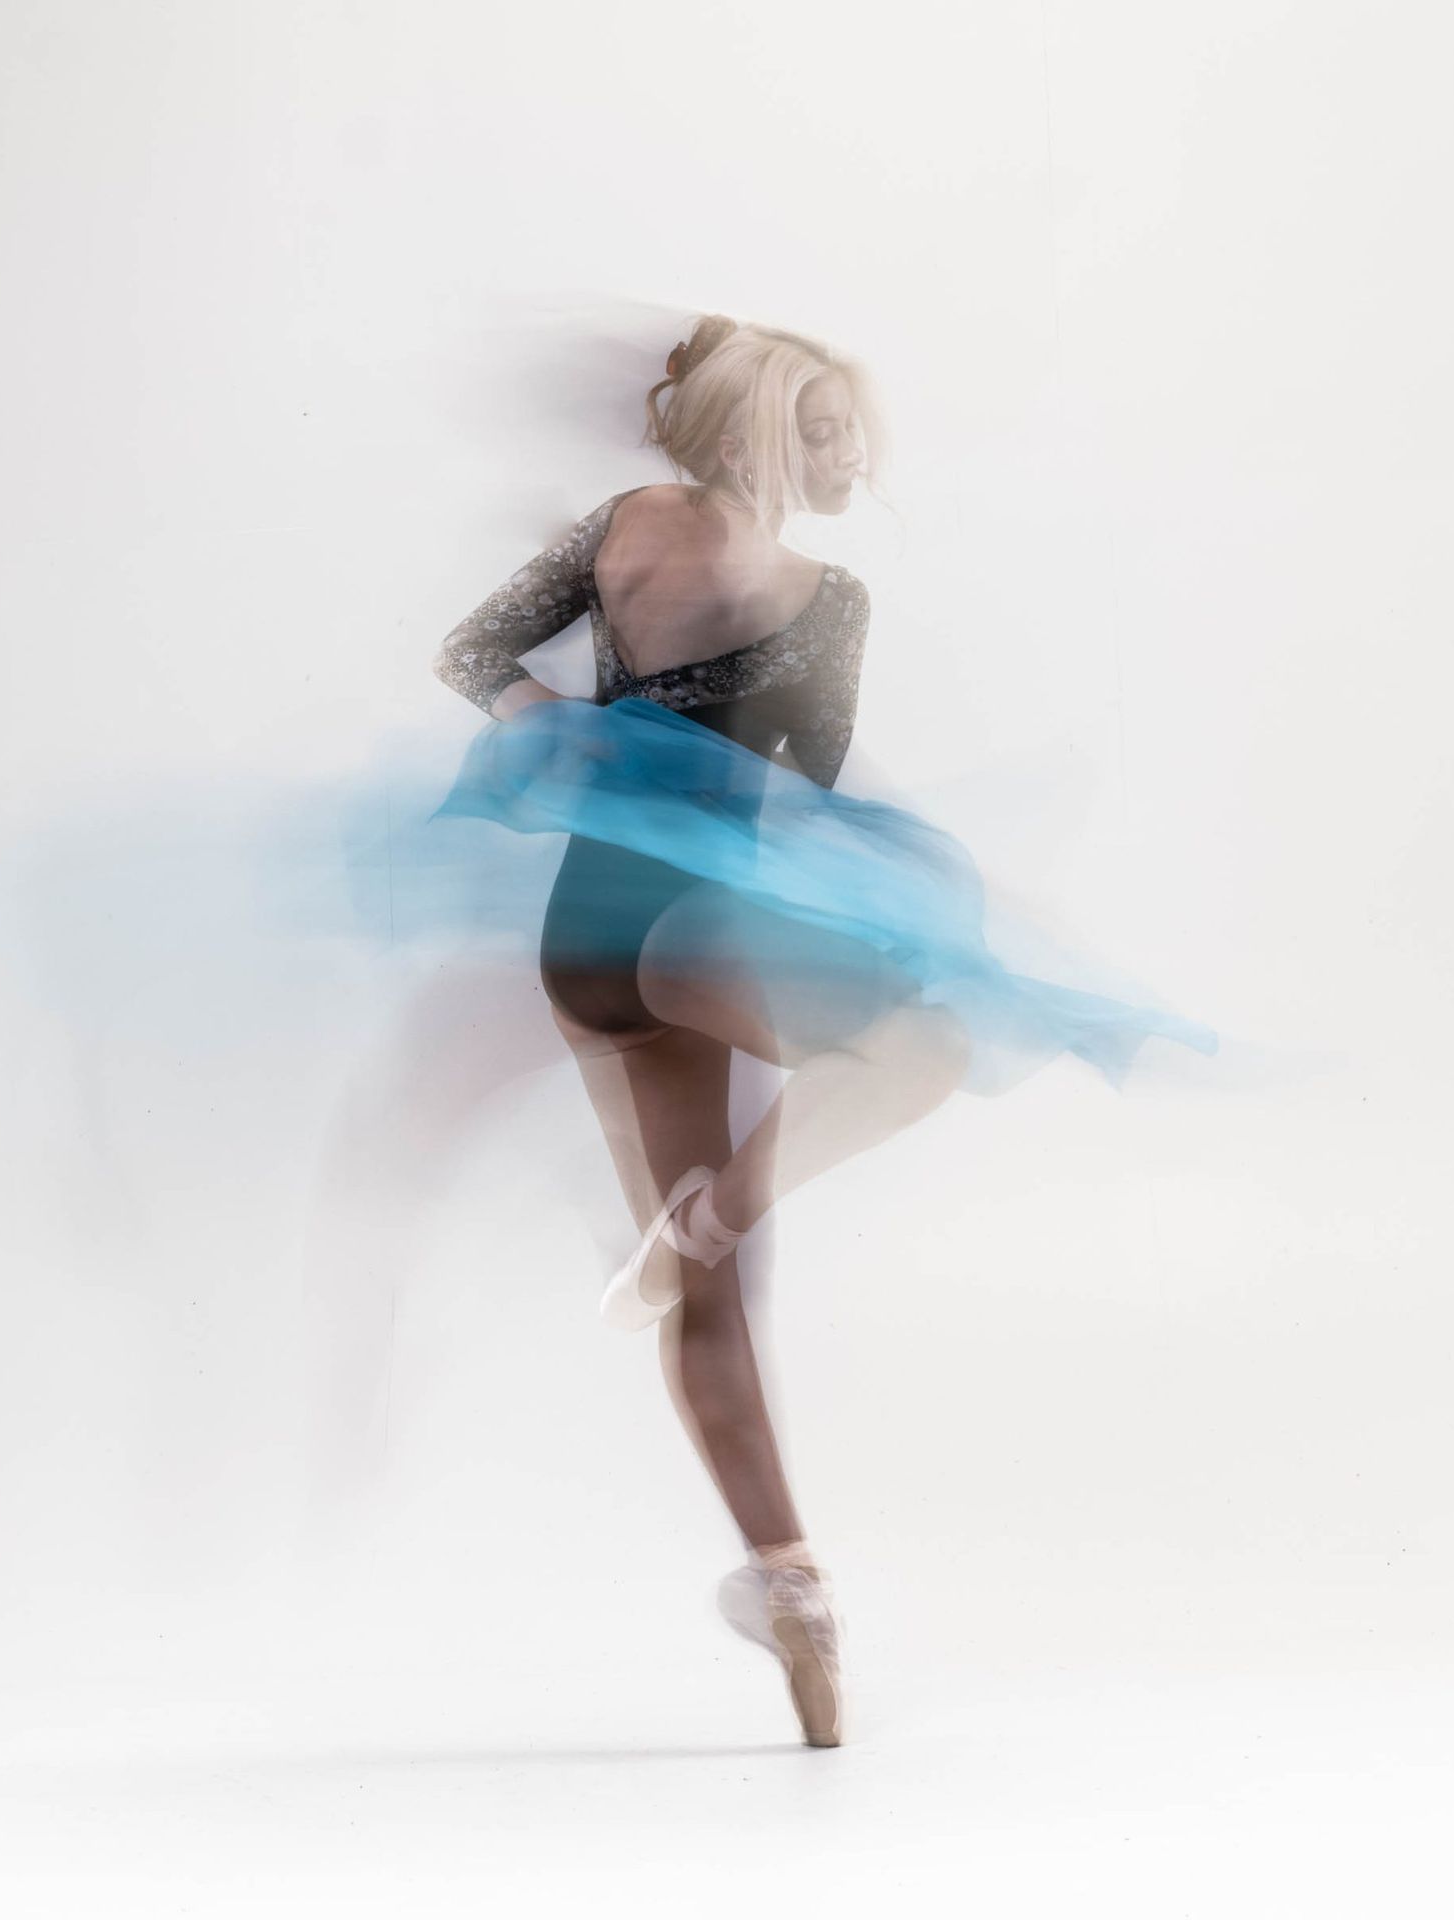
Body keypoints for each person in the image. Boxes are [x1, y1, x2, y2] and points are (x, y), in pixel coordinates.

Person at [428, 315, 1215, 1748]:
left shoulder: (622, 525)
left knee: (717, 1304)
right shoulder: (823, 593)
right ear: (767, 438)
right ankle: (702, 1224)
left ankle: (786, 1580)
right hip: (688, 922)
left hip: (587, 936)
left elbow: (471, 650)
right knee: (924, 1051)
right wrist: (941, 904)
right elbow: (812, 793)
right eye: (832, 429)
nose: (857, 455)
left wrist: (558, 723)